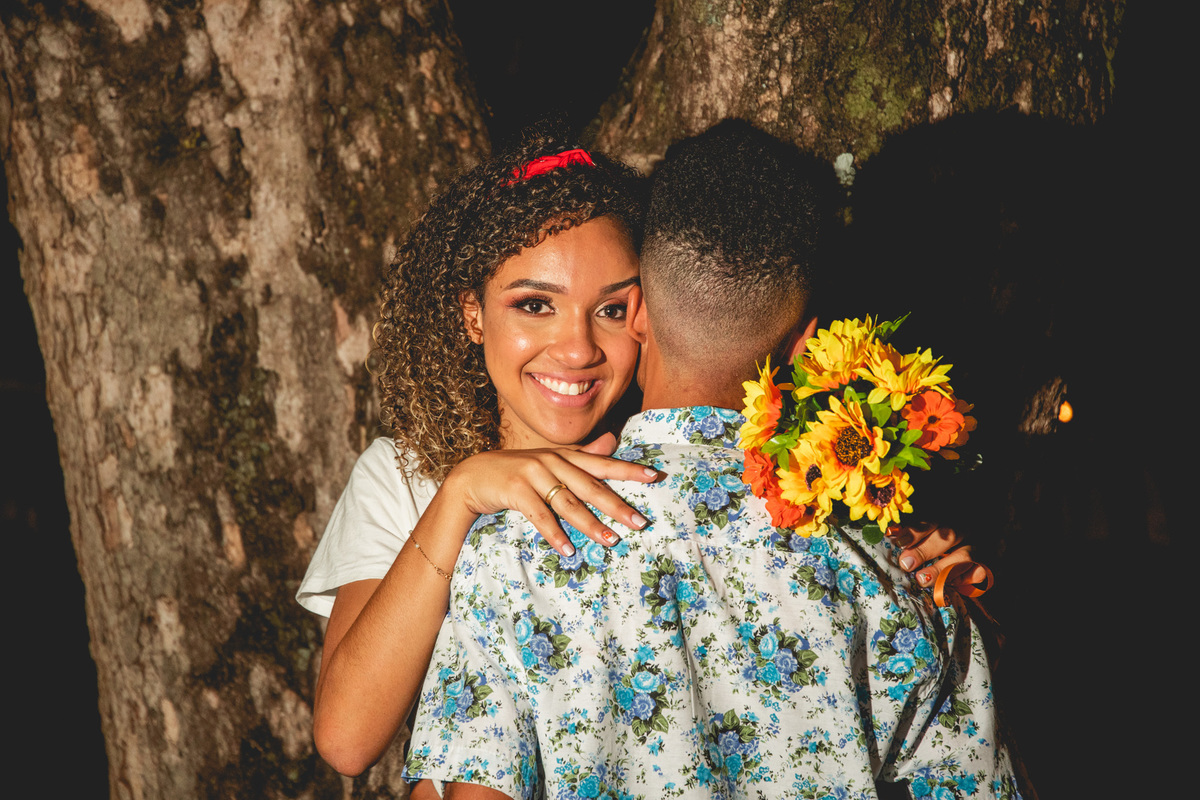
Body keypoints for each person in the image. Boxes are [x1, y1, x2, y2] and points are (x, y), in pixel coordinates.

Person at [298, 123, 978, 782]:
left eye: (612, 310)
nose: (577, 349)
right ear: (473, 313)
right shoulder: (408, 476)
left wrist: (926, 569)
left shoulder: (691, 471)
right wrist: (461, 495)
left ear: (650, 315)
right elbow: (346, 740)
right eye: (535, 305)